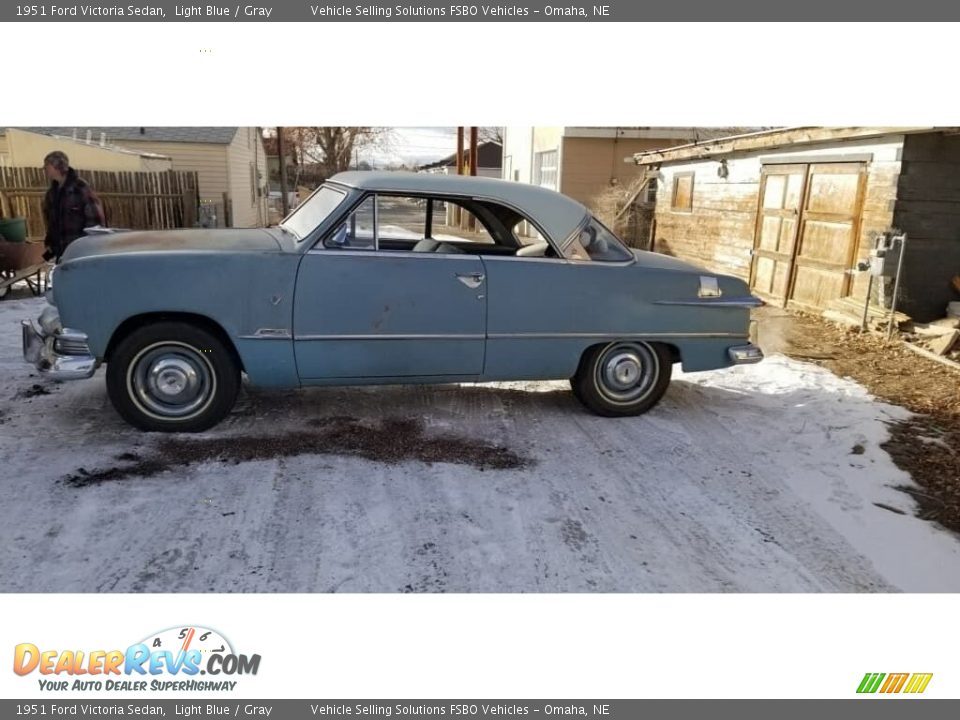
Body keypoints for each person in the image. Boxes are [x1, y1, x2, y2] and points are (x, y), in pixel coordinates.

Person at [41, 151, 106, 262]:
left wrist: (86, 244)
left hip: (80, 251)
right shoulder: (52, 193)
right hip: (61, 252)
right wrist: (50, 241)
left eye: (47, 165)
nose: (44, 169)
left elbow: (95, 220)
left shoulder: (80, 188)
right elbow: (50, 220)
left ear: (57, 166)